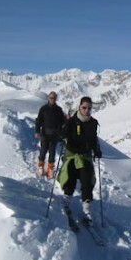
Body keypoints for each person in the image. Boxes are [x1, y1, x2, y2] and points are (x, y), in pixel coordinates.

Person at [58, 96, 102, 229]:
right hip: (71, 155)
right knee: (70, 180)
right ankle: (66, 204)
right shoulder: (71, 122)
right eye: (84, 107)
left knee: (87, 182)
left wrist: (96, 150)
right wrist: (63, 136)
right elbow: (63, 134)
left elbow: (94, 139)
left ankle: (87, 212)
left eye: (89, 108)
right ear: (79, 107)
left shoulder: (93, 123)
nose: (87, 110)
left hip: (85, 156)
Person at [35, 91, 66, 178]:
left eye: (54, 98)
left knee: (52, 152)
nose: (52, 99)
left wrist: (67, 120)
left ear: (56, 99)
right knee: (43, 150)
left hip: (55, 135)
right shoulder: (43, 109)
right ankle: (41, 166)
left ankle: (50, 169)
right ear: (48, 98)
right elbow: (38, 121)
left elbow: (62, 121)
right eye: (51, 98)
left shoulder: (59, 110)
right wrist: (37, 131)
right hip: (45, 133)